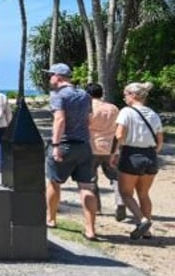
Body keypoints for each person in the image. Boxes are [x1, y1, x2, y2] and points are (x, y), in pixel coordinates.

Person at [44, 63, 98, 241]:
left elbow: (59, 120)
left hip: (65, 144)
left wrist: (56, 144)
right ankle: (90, 229)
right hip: (83, 146)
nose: (49, 78)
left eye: (51, 75)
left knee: (54, 182)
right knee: (86, 187)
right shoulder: (84, 95)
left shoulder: (58, 96)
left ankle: (50, 218)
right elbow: (89, 121)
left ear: (58, 77)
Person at [110, 82, 164, 240]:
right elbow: (160, 139)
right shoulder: (153, 114)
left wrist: (114, 153)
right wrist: (153, 152)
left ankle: (142, 220)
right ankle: (147, 231)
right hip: (150, 156)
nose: (124, 97)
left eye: (126, 94)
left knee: (126, 193)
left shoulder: (126, 112)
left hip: (131, 154)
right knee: (144, 193)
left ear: (133, 95)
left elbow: (119, 135)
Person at [85, 82, 124, 220]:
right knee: (115, 177)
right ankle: (120, 201)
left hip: (92, 146)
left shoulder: (88, 108)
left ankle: (96, 208)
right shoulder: (113, 108)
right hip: (111, 148)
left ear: (88, 94)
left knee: (91, 178)